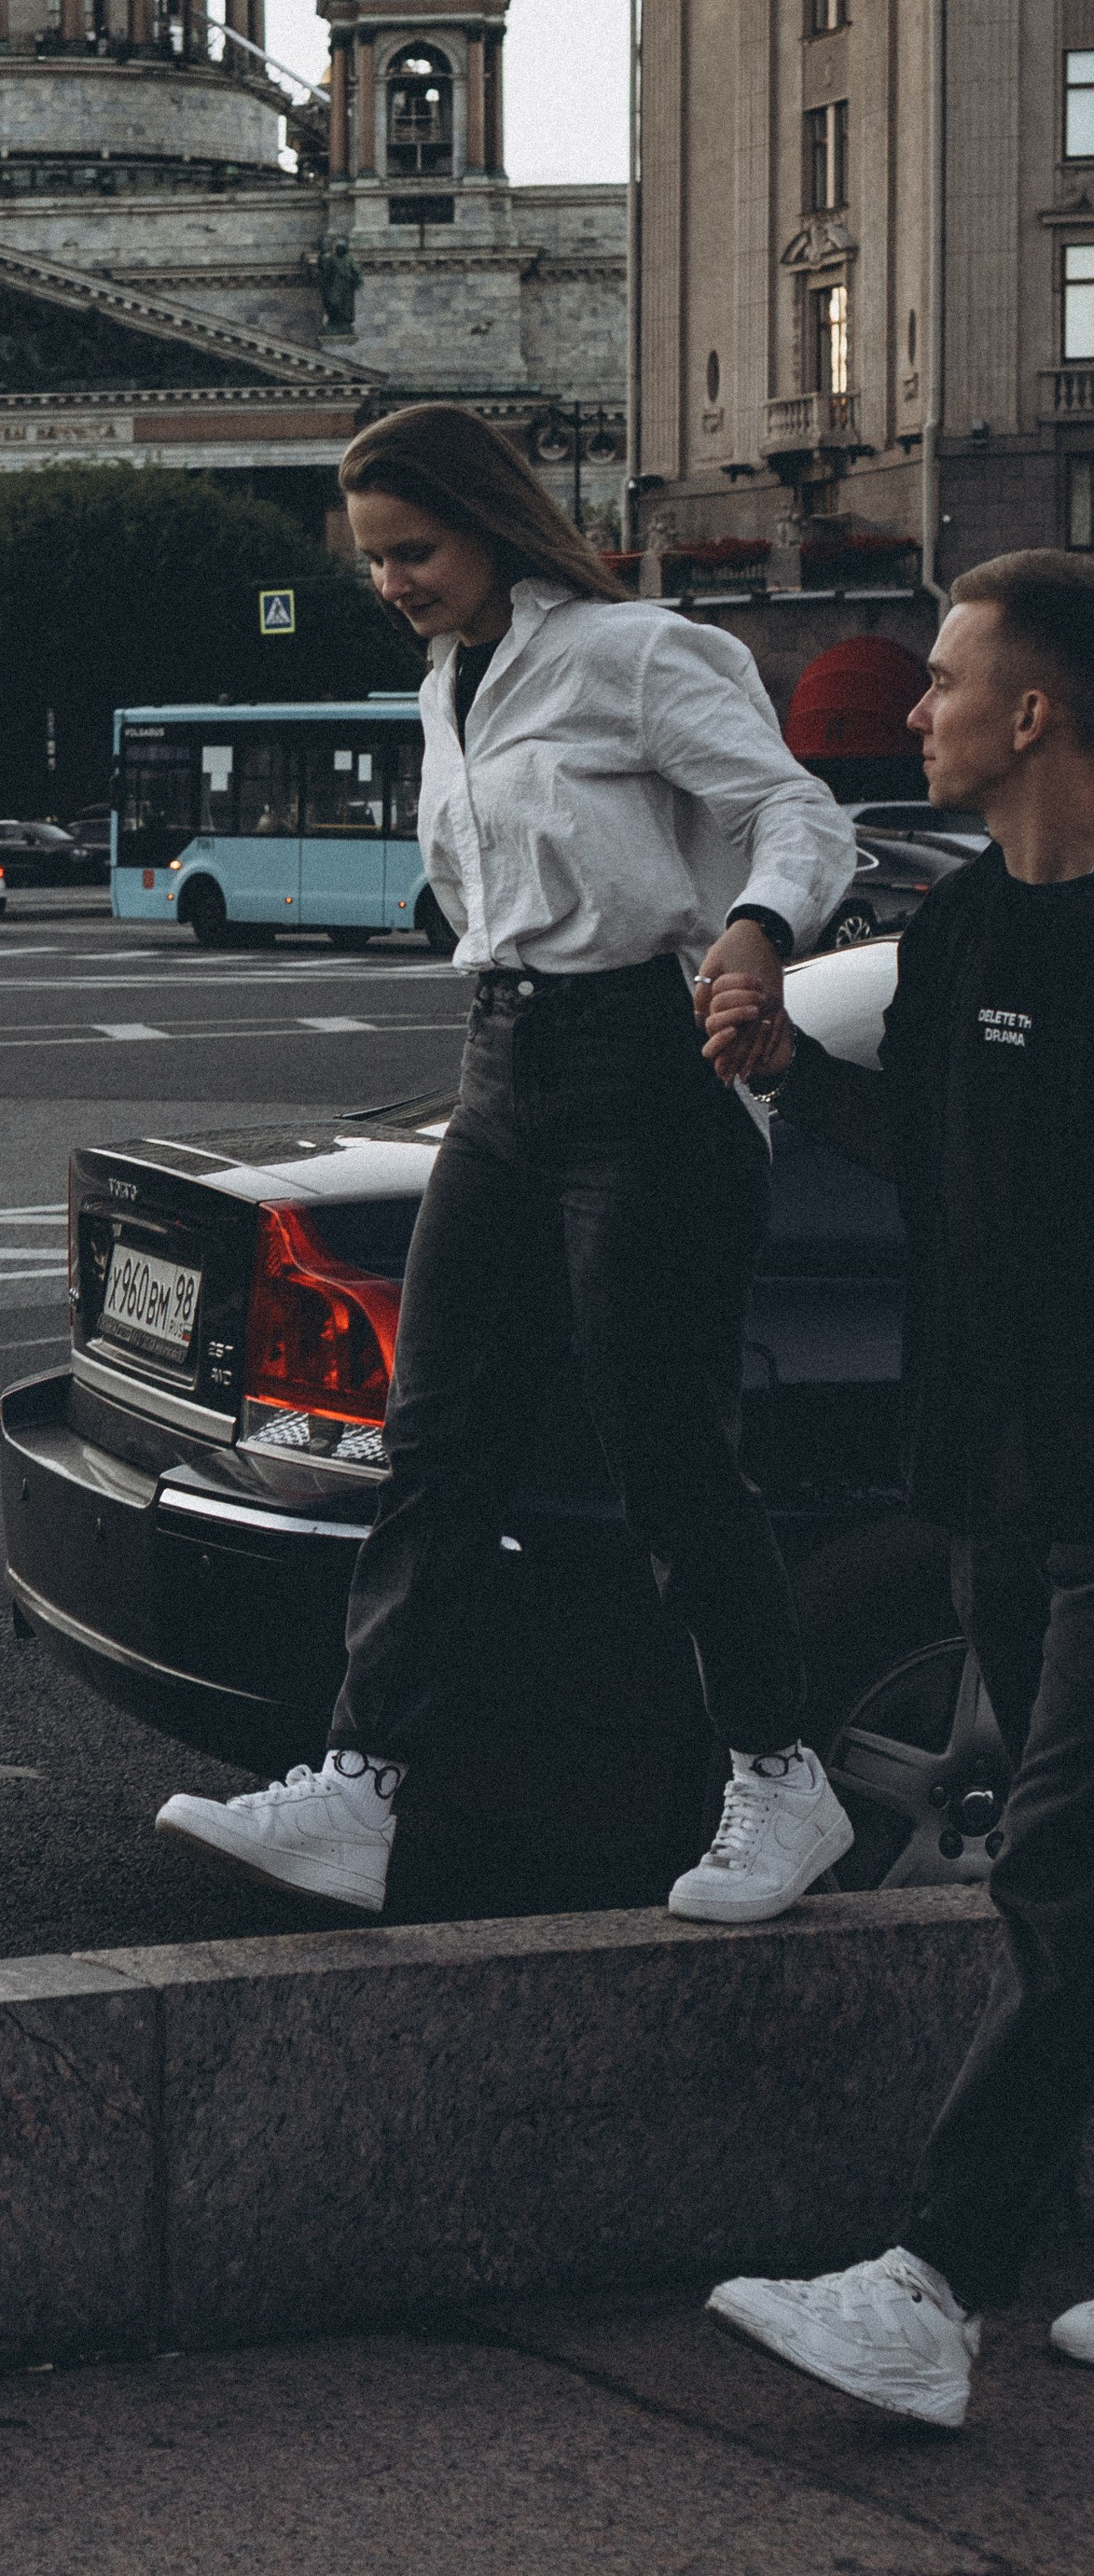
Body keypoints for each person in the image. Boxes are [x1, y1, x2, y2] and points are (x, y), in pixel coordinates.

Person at [156, 402, 857, 1922]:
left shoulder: (636, 651)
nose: (394, 580)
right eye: (373, 562)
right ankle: (363, 1792)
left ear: (489, 523)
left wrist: (758, 930)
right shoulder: (444, 686)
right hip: (502, 1063)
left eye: (414, 550)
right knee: (438, 1438)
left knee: (664, 1446)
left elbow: (796, 811)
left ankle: (783, 1782)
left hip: (646, 1073)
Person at [699, 551, 1094, 2425]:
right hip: (990, 1495)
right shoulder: (964, 939)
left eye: (941, 682)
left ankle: (930, 2285)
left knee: (1059, 1869)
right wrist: (783, 1071)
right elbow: (935, 1179)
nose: (907, 710)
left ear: (1031, 716)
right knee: (1059, 1901)